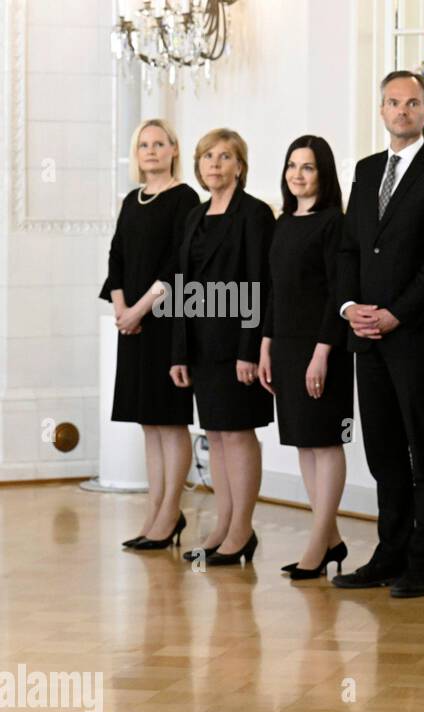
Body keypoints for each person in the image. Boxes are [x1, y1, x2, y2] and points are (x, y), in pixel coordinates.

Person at [333, 70, 424, 598]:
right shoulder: (366, 171)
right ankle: (388, 552)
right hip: (364, 335)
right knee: (383, 449)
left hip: (413, 336)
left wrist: (395, 313)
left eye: (413, 103)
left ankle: (422, 561)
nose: (403, 111)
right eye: (393, 102)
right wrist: (350, 307)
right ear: (382, 108)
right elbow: (349, 249)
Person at [170, 128, 275, 567]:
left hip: (237, 344)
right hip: (199, 343)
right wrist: (178, 351)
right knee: (214, 434)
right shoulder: (194, 216)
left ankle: (242, 529)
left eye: (225, 156)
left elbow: (258, 283)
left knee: (237, 432)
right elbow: (181, 284)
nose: (214, 163)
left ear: (239, 166)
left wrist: (249, 349)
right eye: (207, 156)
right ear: (198, 166)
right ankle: (222, 525)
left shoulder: (254, 214)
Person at [257, 135, 352, 581]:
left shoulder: (334, 222)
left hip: (322, 347)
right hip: (287, 346)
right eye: (292, 165)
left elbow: (339, 292)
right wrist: (265, 346)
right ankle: (329, 538)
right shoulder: (282, 222)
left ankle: (317, 543)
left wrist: (322, 353)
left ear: (323, 173)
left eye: (308, 167)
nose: (298, 174)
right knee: (302, 442)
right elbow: (273, 290)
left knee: (324, 440)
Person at [102, 118, 199, 551]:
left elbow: (179, 266)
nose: (152, 150)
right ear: (135, 153)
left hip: (166, 321)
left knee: (171, 420)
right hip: (134, 324)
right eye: (144, 144)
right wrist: (122, 308)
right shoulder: (131, 199)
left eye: (160, 143)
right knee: (148, 422)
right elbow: (117, 254)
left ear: (175, 149)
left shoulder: (184, 199)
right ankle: (156, 511)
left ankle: (169, 511)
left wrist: (141, 308)